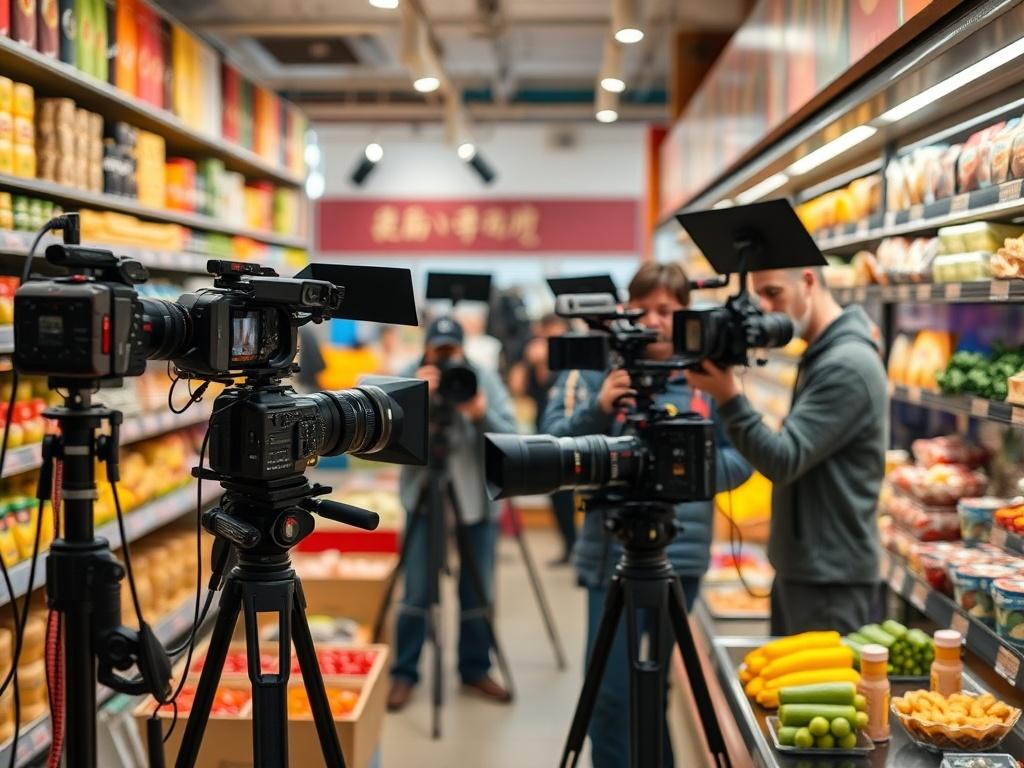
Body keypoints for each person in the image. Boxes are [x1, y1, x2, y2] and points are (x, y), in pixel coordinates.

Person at [540, 262, 751, 768]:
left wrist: (682, 476)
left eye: (667, 309)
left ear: (685, 315)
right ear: (625, 311)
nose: (654, 320)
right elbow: (551, 444)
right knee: (610, 699)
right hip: (608, 552)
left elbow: (743, 455)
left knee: (654, 689)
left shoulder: (708, 376)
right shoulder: (597, 368)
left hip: (680, 557)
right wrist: (598, 406)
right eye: (644, 308)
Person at [685, 266, 887, 636]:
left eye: (774, 293)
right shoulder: (823, 353)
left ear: (808, 282)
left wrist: (728, 396)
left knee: (813, 690)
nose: (765, 307)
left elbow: (783, 459)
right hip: (809, 567)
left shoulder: (847, 365)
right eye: (758, 296)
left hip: (829, 579)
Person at [387, 316, 519, 711]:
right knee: (416, 589)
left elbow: (511, 438)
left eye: (451, 352)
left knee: (477, 589)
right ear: (425, 349)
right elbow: (383, 439)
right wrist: (416, 400)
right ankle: (404, 673)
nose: (445, 360)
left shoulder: (481, 379)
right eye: (437, 351)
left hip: (474, 498)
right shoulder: (407, 378)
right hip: (423, 496)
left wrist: (479, 413)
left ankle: (475, 668)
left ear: (463, 350)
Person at [508, 312, 577, 565]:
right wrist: (531, 361)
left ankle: (576, 547)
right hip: (545, 432)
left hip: (570, 433)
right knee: (555, 493)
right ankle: (569, 546)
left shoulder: (570, 360)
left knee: (570, 494)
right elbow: (517, 388)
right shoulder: (534, 356)